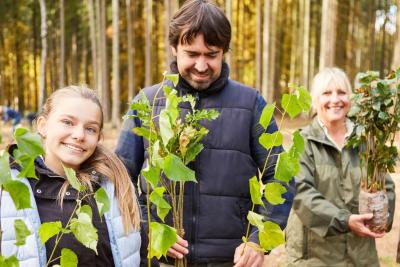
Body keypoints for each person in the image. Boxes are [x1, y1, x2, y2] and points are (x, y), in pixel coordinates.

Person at [116, 1, 294, 266]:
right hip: (161, 261)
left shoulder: (250, 103)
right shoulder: (148, 102)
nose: (201, 65)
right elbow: (119, 179)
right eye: (192, 53)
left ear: (224, 52)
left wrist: (258, 240)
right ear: (175, 48)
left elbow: (280, 175)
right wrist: (147, 227)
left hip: (229, 261)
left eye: (211, 54)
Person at [4, 86, 141, 267]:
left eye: (90, 129)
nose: (79, 135)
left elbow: (141, 255)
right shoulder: (8, 187)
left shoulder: (116, 185)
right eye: (68, 122)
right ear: (43, 126)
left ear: (99, 137)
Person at [285, 68, 396, 266]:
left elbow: (385, 187)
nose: (335, 99)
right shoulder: (301, 142)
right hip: (315, 257)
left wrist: (382, 218)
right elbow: (301, 193)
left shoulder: (365, 140)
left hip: (360, 258)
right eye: (327, 93)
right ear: (315, 100)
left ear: (351, 98)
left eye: (341, 92)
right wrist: (345, 220)